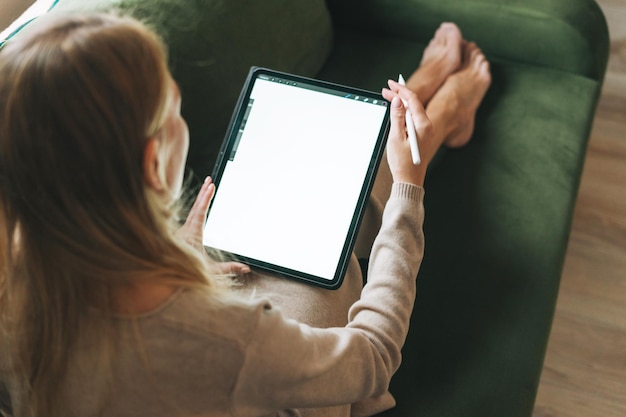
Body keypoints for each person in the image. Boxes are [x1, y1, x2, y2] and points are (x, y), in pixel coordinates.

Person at [0, 12, 490, 417]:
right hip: (256, 378)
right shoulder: (228, 341)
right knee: (329, 260)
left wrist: (179, 260)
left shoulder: (19, 287)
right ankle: (431, 119)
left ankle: (412, 106)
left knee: (289, 212)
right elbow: (374, 357)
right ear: (154, 163)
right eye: (175, 108)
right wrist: (409, 189)